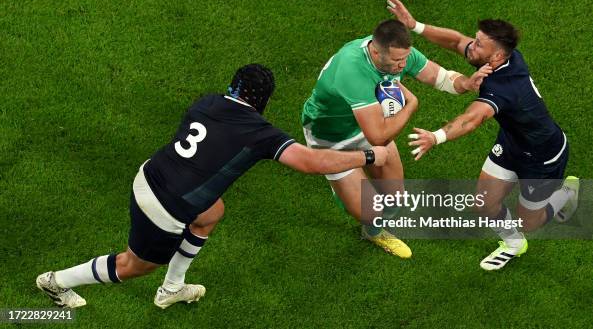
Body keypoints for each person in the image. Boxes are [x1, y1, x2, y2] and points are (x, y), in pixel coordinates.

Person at [36, 64, 391, 309]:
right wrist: (369, 156)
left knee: (211, 212)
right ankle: (55, 281)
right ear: (263, 100)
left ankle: (172, 290)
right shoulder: (260, 132)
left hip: (149, 175)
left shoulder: (206, 102)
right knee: (133, 265)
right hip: (164, 210)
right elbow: (311, 162)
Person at [386, 0, 581, 270]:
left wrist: (436, 136)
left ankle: (565, 195)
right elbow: (456, 41)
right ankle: (514, 243)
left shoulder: (503, 88)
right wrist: (413, 25)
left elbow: (471, 120)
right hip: (512, 143)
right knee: (484, 203)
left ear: (497, 56)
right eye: (476, 40)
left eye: (478, 44)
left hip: (543, 155)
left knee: (529, 222)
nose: (471, 45)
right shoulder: (499, 59)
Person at [301, 18, 490, 259]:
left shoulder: (399, 53)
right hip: (331, 138)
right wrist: (411, 105)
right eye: (396, 62)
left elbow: (440, 77)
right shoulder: (353, 70)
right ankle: (345, 189)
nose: (402, 66)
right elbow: (377, 136)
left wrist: (466, 82)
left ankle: (370, 228)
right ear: (375, 51)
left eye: (405, 59)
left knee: (395, 197)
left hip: (370, 122)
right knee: (370, 211)